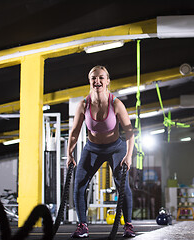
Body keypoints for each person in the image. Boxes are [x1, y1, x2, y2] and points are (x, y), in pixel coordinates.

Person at [67, 65, 135, 238]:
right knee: (79, 185)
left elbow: (129, 132)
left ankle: (128, 225)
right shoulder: (83, 105)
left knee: (122, 185)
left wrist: (129, 156)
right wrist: (69, 153)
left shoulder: (116, 103)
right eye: (94, 78)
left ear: (107, 81)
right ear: (90, 81)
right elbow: (74, 132)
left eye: (101, 78)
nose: (97, 81)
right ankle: (82, 226)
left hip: (115, 148)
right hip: (92, 148)